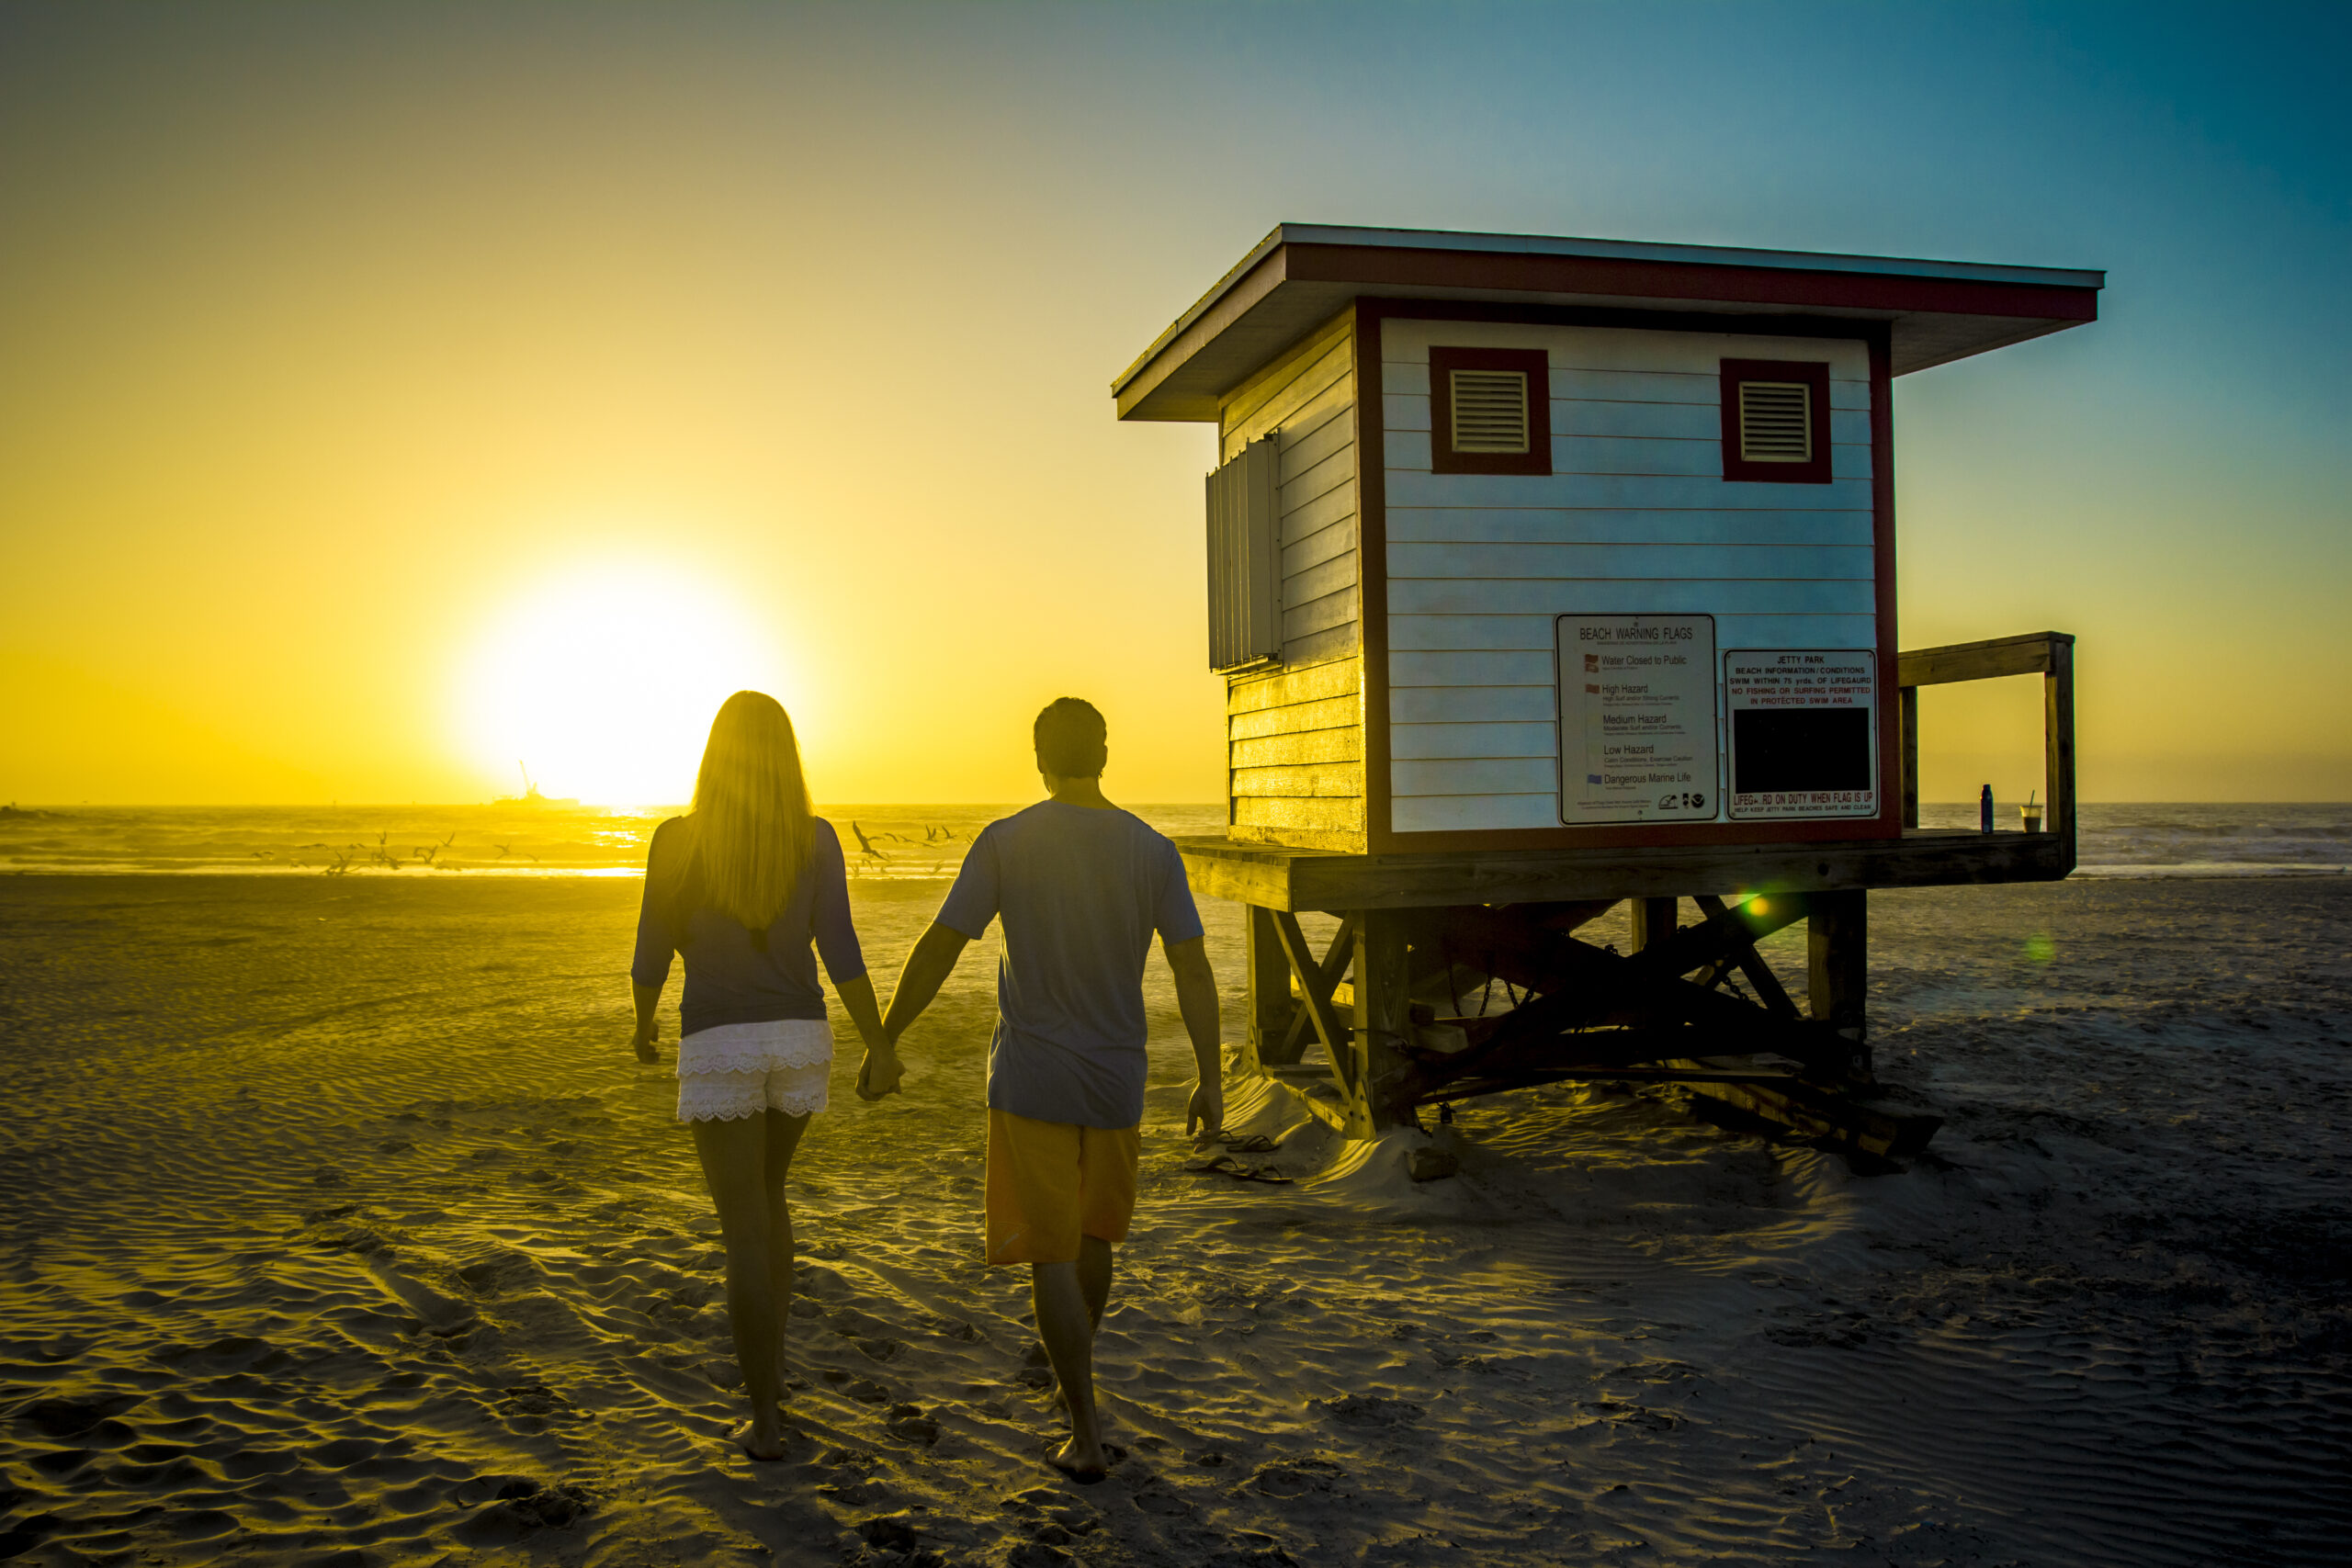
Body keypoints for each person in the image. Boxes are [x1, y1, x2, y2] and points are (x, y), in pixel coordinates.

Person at [860, 696, 1223, 1481]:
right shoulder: (1152, 849)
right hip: (1116, 1077)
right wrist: (1209, 1076)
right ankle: (1074, 1377)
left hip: (1032, 1077)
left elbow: (941, 944)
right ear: (1104, 752)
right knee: (1092, 1239)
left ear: (1039, 757)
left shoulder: (1008, 841)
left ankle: (1084, 1429)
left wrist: (887, 1037)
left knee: (1052, 1252)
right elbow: (1191, 965)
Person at [628, 691, 895, 1461]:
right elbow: (839, 947)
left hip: (719, 1040)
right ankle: (773, 1375)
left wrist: (642, 1026)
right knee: (771, 1201)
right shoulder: (813, 839)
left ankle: (765, 1418)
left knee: (742, 1224)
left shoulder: (677, 841)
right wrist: (877, 1040)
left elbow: (651, 951)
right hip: (798, 1037)